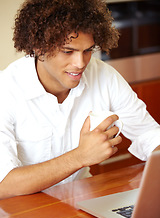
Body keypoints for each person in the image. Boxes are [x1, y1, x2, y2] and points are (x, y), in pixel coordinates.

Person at [0, 0, 160, 200]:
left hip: (80, 201)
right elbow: (3, 184)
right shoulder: (5, 90)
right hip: (21, 211)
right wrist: (79, 157)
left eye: (87, 50)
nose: (80, 63)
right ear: (39, 47)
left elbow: (149, 134)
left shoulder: (104, 75)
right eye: (68, 51)